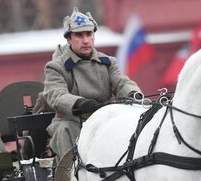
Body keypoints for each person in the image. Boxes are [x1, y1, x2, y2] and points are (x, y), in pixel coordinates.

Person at [43, 7, 142, 159]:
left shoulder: (107, 62)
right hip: (73, 120)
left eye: (89, 34)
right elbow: (56, 95)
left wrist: (133, 94)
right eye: (79, 35)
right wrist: (80, 103)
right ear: (69, 39)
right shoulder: (56, 67)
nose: (85, 40)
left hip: (106, 116)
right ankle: (71, 177)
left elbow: (121, 82)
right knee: (64, 130)